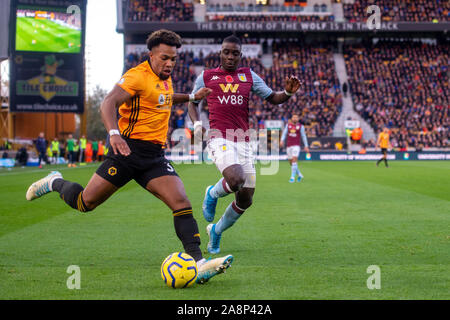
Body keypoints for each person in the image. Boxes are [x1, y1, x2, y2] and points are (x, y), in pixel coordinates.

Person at [26, 29, 232, 285]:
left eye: (173, 59)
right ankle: (54, 181)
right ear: (151, 55)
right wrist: (114, 134)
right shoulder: (136, 76)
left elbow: (163, 98)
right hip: (125, 152)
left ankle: (198, 263)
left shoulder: (164, 78)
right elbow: (107, 103)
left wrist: (191, 97)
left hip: (154, 157)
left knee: (181, 202)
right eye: (164, 58)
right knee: (84, 203)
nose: (169, 64)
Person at [188, 35, 301, 255]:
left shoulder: (249, 76)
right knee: (236, 179)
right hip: (219, 136)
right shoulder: (207, 76)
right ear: (220, 53)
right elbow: (193, 103)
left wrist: (287, 92)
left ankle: (216, 230)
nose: (230, 56)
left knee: (246, 198)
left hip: (244, 139)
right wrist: (197, 125)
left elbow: (273, 98)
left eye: (235, 53)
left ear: (241, 55)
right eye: (226, 52)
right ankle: (212, 193)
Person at [280, 113, 309, 183]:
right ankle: (299, 175)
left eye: (296, 117)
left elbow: (303, 136)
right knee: (291, 162)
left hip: (296, 146)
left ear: (298, 119)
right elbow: (284, 133)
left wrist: (306, 146)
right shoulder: (288, 125)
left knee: (294, 159)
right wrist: (281, 140)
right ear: (292, 118)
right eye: (294, 117)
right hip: (289, 146)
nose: (295, 118)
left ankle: (292, 177)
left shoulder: (300, 126)